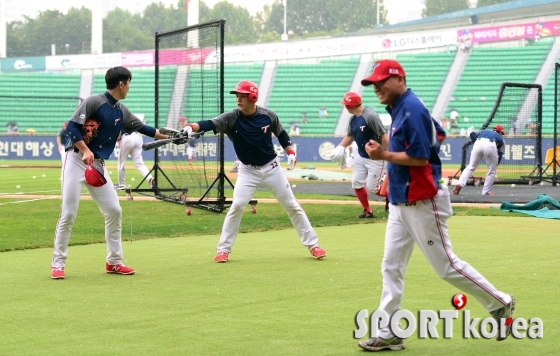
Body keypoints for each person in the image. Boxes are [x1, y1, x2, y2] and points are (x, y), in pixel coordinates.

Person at [358, 59, 515, 351]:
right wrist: (390, 157)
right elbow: (437, 134)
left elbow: (419, 157)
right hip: (401, 201)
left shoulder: (411, 108)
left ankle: (501, 303)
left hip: (422, 200)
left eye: (382, 81)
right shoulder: (404, 107)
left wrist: (384, 155)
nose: (376, 87)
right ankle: (389, 330)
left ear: (399, 79)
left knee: (446, 267)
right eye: (372, 83)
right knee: (391, 266)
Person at [182, 80, 326, 263]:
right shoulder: (231, 118)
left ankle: (314, 246)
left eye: (242, 96)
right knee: (237, 206)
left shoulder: (268, 116)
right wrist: (190, 127)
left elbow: (282, 134)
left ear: (253, 97)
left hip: (272, 168)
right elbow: (209, 123)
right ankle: (223, 250)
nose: (238, 100)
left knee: (292, 205)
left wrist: (290, 152)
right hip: (247, 171)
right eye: (237, 96)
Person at [51, 66, 171, 279]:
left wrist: (170, 137)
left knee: (114, 210)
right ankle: (58, 263)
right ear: (122, 84)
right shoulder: (94, 101)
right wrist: (85, 150)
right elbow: (72, 127)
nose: (129, 87)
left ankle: (114, 261)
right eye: (129, 83)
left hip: (97, 166)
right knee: (68, 212)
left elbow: (144, 128)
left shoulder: (121, 111)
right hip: (76, 160)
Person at [330, 91, 388, 219]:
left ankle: (393, 197)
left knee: (372, 188)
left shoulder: (370, 116)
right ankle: (367, 210)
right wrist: (340, 147)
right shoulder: (353, 119)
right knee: (356, 183)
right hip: (361, 156)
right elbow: (350, 136)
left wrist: (390, 154)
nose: (344, 106)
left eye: (345, 104)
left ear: (349, 106)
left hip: (376, 158)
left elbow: (383, 135)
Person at [453, 125, 506, 196]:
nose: (502, 135)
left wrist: (476, 143)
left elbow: (472, 134)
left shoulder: (484, 131)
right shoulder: (501, 139)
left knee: (471, 167)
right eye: (502, 133)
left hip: (478, 142)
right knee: (491, 171)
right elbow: (499, 155)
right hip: (491, 144)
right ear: (500, 132)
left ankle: (460, 183)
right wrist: (494, 164)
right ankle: (485, 192)